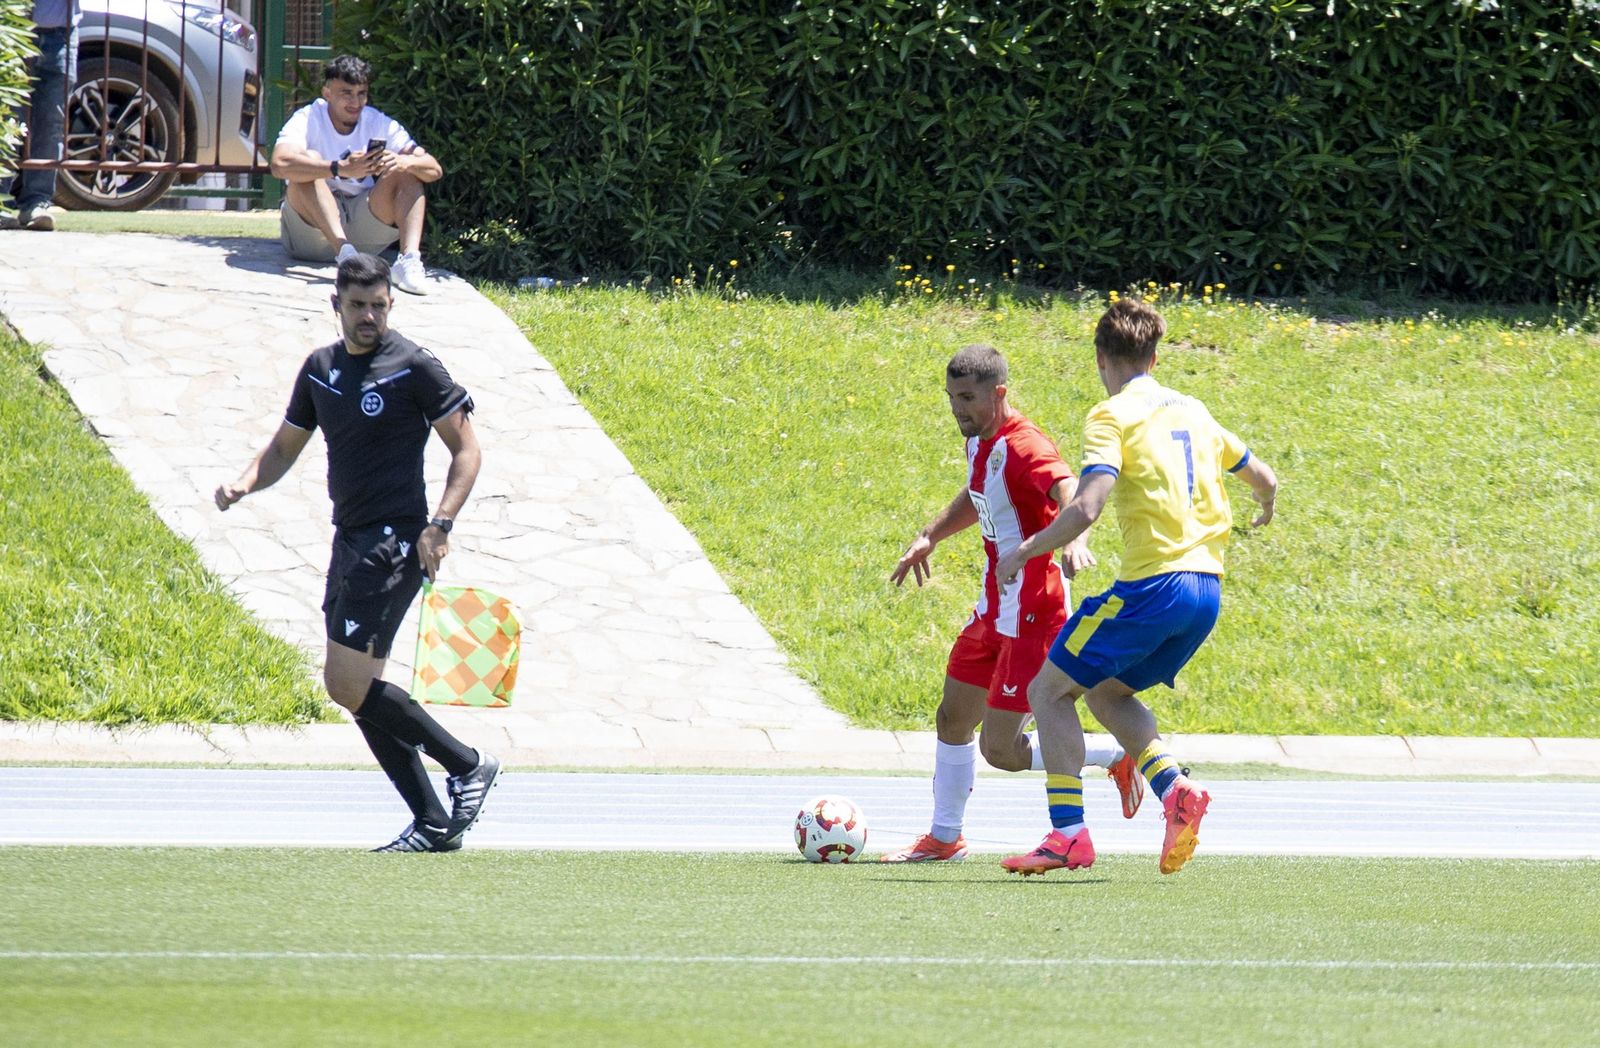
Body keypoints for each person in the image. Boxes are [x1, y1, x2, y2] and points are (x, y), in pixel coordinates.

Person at [215, 253, 498, 852]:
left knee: (345, 685)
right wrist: (244, 481)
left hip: (397, 540)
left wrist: (440, 524)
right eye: (357, 305)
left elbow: (467, 452)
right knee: (357, 688)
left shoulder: (414, 366)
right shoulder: (320, 369)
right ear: (336, 306)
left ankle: (466, 764)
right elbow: (285, 448)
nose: (368, 316)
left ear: (391, 304)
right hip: (350, 540)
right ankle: (432, 821)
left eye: (378, 304)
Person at [995, 299, 1278, 876]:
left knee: (1046, 691)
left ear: (1102, 358)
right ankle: (1174, 792)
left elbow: (1088, 505)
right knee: (1105, 693)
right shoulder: (1195, 410)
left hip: (1154, 586)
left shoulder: (1111, 415)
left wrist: (1026, 550)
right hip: (1206, 593)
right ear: (1154, 355)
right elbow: (1263, 476)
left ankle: (1067, 834)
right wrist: (1265, 503)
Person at [881, 343, 1143, 864]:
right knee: (952, 718)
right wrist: (929, 536)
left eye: (968, 397)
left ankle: (1115, 754)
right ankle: (944, 837)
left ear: (998, 393)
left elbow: (1069, 489)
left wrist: (1075, 539)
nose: (958, 408)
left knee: (1000, 751)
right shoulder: (982, 440)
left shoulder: (1024, 444)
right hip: (991, 610)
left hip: (1033, 616)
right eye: (952, 397)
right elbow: (980, 494)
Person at [268, 54, 441, 295]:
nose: (355, 102)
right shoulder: (308, 117)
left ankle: (409, 261)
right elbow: (279, 164)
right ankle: (344, 255)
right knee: (310, 162)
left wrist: (402, 161)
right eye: (346, 93)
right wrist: (339, 168)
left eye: (362, 93)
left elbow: (434, 169)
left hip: (362, 227)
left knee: (408, 170)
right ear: (327, 93)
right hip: (311, 234)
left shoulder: (377, 121)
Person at [1, 1, 79, 231]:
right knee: (8, 117)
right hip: (11, 30)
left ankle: (37, 203)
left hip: (60, 33)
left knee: (51, 120)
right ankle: (2, 202)